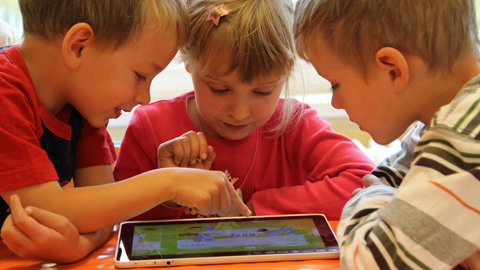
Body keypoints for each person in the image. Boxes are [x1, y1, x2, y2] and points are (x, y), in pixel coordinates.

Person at [0, 0, 250, 264]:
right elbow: (45, 206)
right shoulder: (6, 94)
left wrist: (78, 246)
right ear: (79, 46)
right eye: (141, 75)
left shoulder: (83, 106)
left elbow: (103, 214)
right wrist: (170, 182)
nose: (145, 98)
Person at [113, 0, 375, 221]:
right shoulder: (149, 127)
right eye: (219, 89)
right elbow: (116, 223)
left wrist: (252, 207)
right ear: (189, 63)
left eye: (262, 92)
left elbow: (366, 183)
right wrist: (167, 194)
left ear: (286, 75)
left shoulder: (294, 124)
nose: (239, 113)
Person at [293, 0, 480, 269]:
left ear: (392, 70)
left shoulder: (464, 140)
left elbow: (368, 260)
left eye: (335, 84)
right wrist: (384, 193)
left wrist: (374, 196)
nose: (335, 103)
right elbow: (390, 177)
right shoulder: (445, 121)